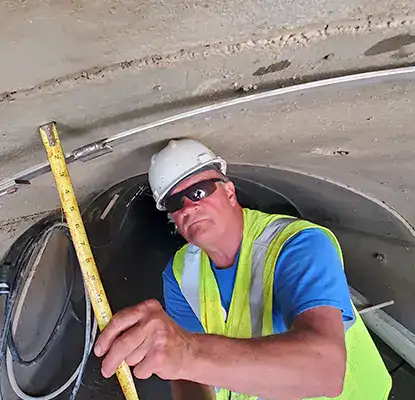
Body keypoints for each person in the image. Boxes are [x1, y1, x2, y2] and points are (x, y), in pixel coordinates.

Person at [93, 139, 392, 400]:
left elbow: (326, 372)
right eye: (173, 202)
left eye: (198, 192)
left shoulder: (297, 245)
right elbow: (190, 376)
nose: (187, 208)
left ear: (230, 192)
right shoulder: (180, 273)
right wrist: (183, 360)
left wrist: (188, 351)